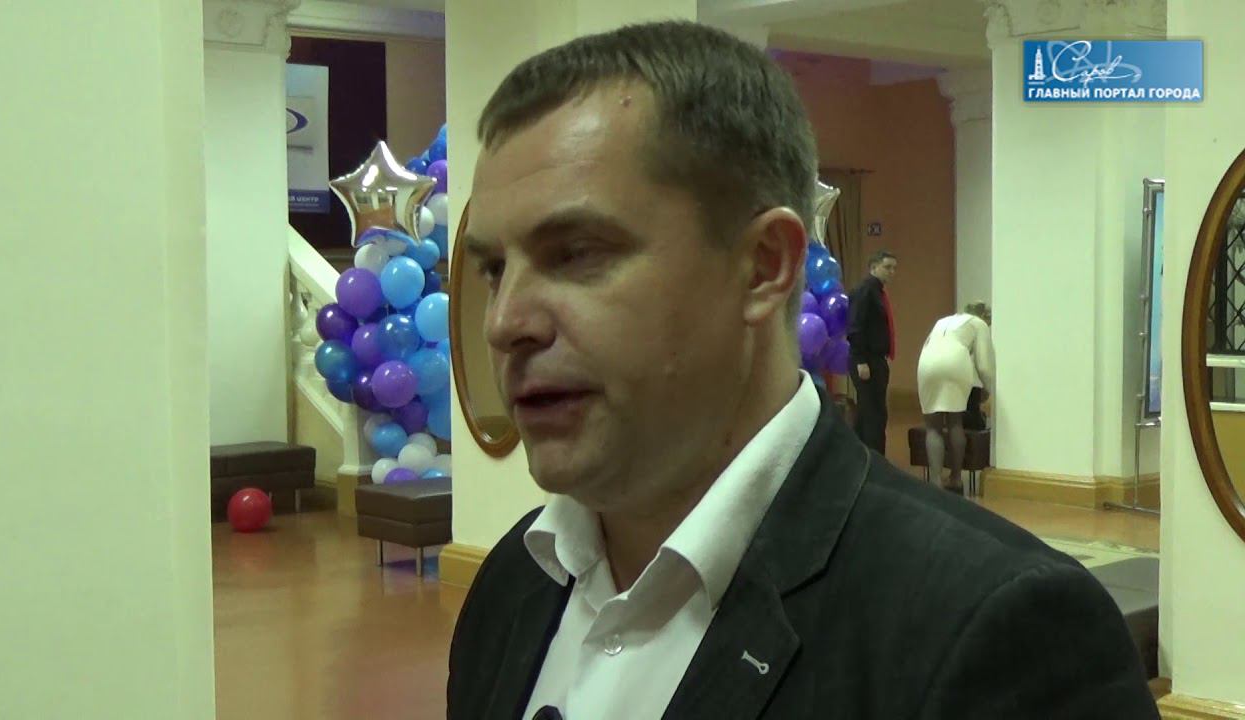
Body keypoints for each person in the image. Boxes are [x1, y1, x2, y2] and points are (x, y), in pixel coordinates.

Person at [448, 20, 1157, 720]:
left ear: (763, 267)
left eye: (575, 254)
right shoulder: (514, 583)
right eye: (493, 269)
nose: (505, 323)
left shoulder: (997, 631)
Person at [917, 302, 996, 493]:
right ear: (986, 317)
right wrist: (990, 390)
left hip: (926, 363)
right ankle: (955, 478)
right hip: (955, 363)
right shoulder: (979, 324)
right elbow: (984, 366)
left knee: (933, 427)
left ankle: (935, 482)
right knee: (955, 422)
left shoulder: (943, 321)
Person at [846, 251, 897, 454]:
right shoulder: (865, 291)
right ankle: (875, 458)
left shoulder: (877, 292)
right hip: (866, 360)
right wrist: (860, 360)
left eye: (894, 268)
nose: (892, 272)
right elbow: (855, 325)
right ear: (874, 267)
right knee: (874, 415)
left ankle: (863, 456)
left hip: (876, 359)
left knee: (871, 412)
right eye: (887, 267)